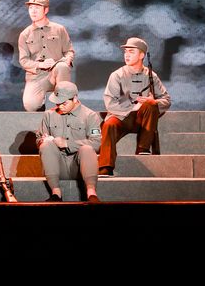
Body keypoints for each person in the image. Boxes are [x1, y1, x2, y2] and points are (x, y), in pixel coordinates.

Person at [98, 37, 171, 178]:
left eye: (131, 52)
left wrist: (153, 101)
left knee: (151, 104)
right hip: (120, 117)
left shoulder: (151, 76)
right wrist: (133, 108)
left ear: (142, 55)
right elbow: (110, 103)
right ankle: (105, 166)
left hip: (141, 120)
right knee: (109, 124)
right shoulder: (117, 75)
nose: (127, 55)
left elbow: (166, 100)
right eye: (126, 52)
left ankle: (143, 147)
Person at [36, 81, 102, 202]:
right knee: (46, 145)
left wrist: (67, 144)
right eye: (57, 103)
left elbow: (96, 143)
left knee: (87, 149)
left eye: (64, 103)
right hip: (57, 165)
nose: (60, 106)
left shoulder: (90, 115)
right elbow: (39, 138)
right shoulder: (49, 115)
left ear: (75, 98)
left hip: (80, 167)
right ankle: (56, 193)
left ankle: (91, 193)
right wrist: (43, 140)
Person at [18, 0, 74, 112]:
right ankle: (41, 108)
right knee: (31, 105)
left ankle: (63, 106)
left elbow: (69, 50)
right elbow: (23, 60)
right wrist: (40, 65)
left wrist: (68, 59)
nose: (33, 11)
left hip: (56, 71)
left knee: (62, 67)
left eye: (37, 7)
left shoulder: (59, 29)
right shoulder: (25, 34)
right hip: (36, 75)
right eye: (31, 7)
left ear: (46, 10)